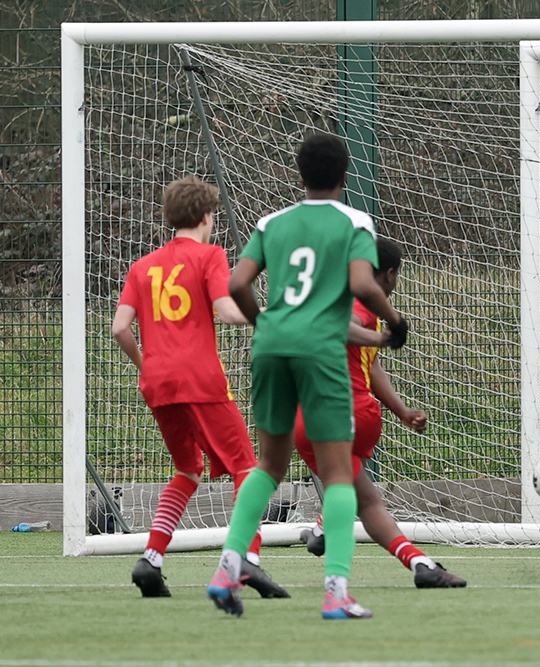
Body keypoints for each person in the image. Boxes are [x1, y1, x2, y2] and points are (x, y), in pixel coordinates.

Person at [207, 133, 408, 619]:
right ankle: (337, 592)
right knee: (339, 474)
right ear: (344, 176)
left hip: (272, 344)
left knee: (268, 466)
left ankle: (227, 568)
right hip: (321, 349)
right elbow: (362, 283)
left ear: (299, 175)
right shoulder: (355, 220)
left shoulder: (272, 222)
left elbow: (237, 283)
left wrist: (266, 323)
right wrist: (394, 321)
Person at [111, 175, 287, 600]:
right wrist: (269, 317)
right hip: (201, 380)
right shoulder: (210, 255)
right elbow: (227, 312)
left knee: (188, 469)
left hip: (158, 383)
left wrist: (149, 363)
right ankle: (249, 558)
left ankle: (151, 559)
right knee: (248, 467)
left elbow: (119, 328)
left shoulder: (142, 266)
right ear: (208, 218)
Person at [296, 237, 466, 589]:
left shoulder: (338, 301)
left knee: (359, 495)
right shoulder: (360, 308)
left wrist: (402, 410)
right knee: (365, 499)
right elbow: (343, 328)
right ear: (388, 275)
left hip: (314, 416)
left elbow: (368, 366)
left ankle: (327, 530)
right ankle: (408, 564)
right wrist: (380, 339)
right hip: (347, 414)